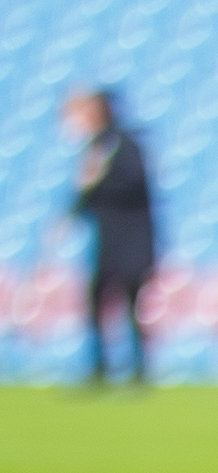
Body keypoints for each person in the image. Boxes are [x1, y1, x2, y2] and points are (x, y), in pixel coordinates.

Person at [60, 89, 154, 386]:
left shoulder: (123, 145)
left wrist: (100, 178)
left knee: (131, 303)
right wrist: (71, 212)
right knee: (97, 300)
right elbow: (88, 196)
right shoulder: (96, 147)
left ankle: (138, 370)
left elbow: (135, 184)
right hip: (107, 242)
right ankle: (99, 368)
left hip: (132, 241)